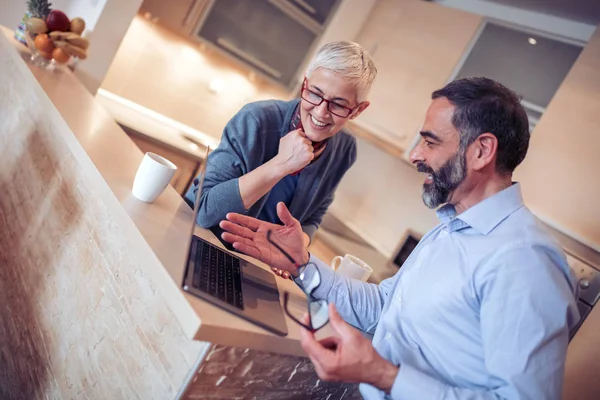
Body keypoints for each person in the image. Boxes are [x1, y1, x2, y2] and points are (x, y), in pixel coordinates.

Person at [217, 77, 580, 399]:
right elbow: (383, 308)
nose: (415, 155)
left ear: (482, 150)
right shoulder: (451, 226)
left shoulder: (525, 260)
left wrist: (381, 374)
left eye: (430, 142)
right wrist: (302, 265)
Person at [185, 41, 377, 273]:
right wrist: (280, 164)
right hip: (196, 243)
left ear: (357, 110)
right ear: (305, 84)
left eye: (338, 105)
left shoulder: (345, 150)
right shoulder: (255, 120)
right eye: (315, 94)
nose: (320, 112)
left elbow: (314, 215)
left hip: (253, 267)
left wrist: (294, 248)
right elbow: (203, 210)